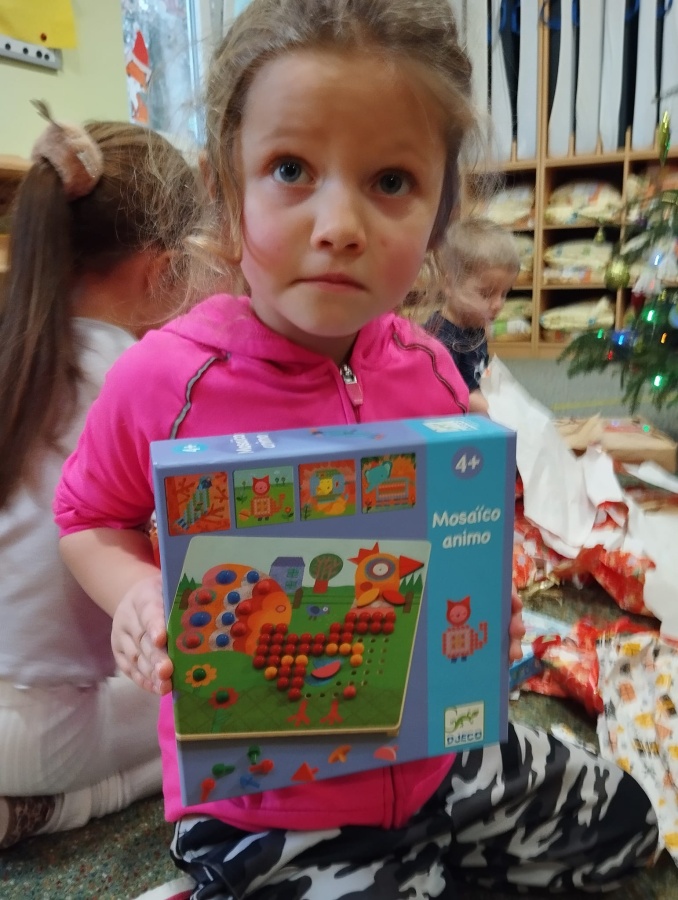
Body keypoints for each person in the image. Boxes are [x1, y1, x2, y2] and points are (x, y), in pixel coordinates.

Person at [55, 1, 658, 896]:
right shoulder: (162, 378)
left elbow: (469, 527)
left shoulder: (432, 369)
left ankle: (416, 858)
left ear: (441, 210)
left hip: (439, 757)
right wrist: (139, 595)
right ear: (226, 188)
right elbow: (87, 516)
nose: (340, 224)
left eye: (391, 181)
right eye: (290, 170)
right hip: (267, 803)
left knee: (629, 830)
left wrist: (487, 610)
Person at [0, 113, 200, 849]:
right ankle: (56, 809)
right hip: (38, 734)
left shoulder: (16, 355)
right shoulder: (143, 380)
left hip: (21, 710)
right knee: (240, 701)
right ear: (160, 269)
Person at [427, 217, 521, 414]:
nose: (498, 304)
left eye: (504, 293)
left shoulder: (475, 323)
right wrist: (499, 411)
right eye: (486, 294)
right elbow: (452, 395)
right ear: (449, 284)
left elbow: (477, 376)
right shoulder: (439, 340)